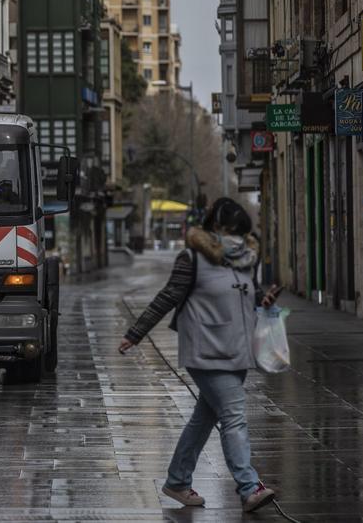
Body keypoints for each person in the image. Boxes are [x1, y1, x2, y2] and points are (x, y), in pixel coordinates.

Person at [118, 197, 281, 513]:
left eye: (239, 232)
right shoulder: (191, 259)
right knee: (233, 416)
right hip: (205, 351)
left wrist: (265, 299)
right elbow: (167, 297)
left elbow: (253, 293)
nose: (233, 237)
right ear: (214, 229)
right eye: (228, 230)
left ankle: (178, 480)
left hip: (237, 350)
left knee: (204, 418)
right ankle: (249, 487)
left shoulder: (245, 259)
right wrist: (135, 334)